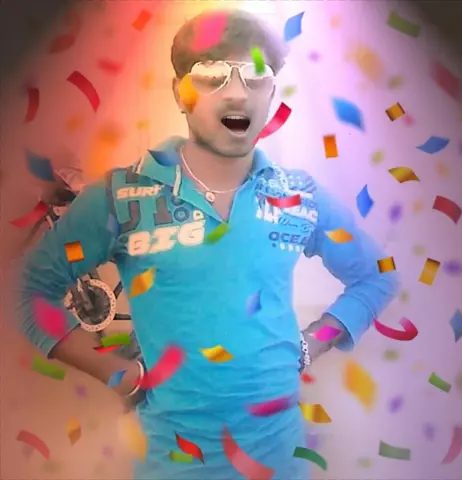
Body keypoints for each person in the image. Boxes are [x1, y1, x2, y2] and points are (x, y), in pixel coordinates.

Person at [17, 8, 399, 480]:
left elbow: (376, 276)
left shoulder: (298, 196)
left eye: (255, 77)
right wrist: (115, 373)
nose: (237, 92)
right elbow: (28, 290)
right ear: (180, 92)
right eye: (213, 75)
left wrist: (311, 345)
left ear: (272, 94)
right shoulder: (123, 197)